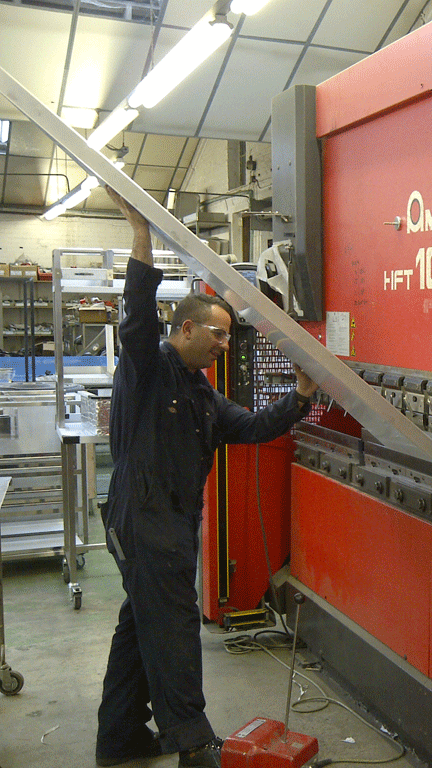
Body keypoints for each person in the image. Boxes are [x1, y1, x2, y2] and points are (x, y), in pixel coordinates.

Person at [95, 188, 318, 768]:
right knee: (171, 629)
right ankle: (193, 745)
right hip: (144, 515)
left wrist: (299, 397)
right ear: (187, 329)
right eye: (218, 335)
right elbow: (137, 316)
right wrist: (141, 234)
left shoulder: (201, 393)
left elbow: (251, 426)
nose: (225, 345)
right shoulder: (147, 370)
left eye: (227, 335)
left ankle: (118, 737)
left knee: (140, 622)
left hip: (169, 519)